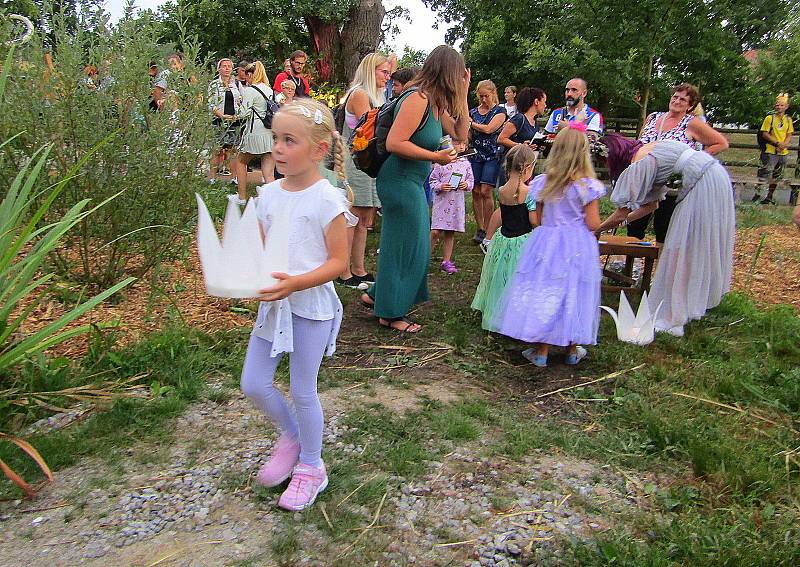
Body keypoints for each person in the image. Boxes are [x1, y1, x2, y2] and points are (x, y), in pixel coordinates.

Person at [240, 98, 353, 511]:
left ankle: (311, 466)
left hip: (311, 308)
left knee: (303, 389)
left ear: (319, 150)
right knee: (253, 382)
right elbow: (258, 248)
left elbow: (339, 264)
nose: (278, 149)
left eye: (290, 140)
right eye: (275, 139)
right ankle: (291, 435)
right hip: (275, 308)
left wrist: (296, 283)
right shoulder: (267, 195)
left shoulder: (327, 200)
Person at [359, 45, 471, 332]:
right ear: (447, 72)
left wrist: (465, 94)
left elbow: (460, 133)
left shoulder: (436, 103)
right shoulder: (417, 98)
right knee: (411, 247)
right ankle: (390, 313)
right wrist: (437, 158)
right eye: (458, 75)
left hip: (412, 181)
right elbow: (395, 143)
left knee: (408, 244)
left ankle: (376, 297)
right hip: (398, 180)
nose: (459, 79)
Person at [596, 139, 735, 337]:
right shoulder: (649, 150)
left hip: (700, 185)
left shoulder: (640, 163)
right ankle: (684, 305)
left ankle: (673, 318)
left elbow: (621, 212)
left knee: (680, 249)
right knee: (689, 249)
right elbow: (651, 206)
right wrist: (622, 223)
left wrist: (597, 230)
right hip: (716, 176)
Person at [493, 123, 604, 367]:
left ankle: (541, 350)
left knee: (544, 290)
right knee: (574, 290)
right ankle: (572, 349)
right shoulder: (587, 186)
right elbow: (593, 223)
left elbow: (539, 219)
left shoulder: (543, 183)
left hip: (547, 242)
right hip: (576, 245)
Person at [627, 83, 729, 242]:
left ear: (690, 106)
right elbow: (639, 144)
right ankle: (631, 263)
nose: (677, 101)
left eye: (683, 99)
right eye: (675, 97)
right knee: (634, 225)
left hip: (670, 183)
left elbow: (721, 143)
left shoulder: (692, 123)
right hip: (643, 179)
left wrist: (695, 160)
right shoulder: (653, 117)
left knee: (664, 227)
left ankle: (662, 263)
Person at [335, 53, 390, 290]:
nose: (388, 77)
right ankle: (343, 270)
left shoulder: (375, 96)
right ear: (371, 71)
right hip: (356, 162)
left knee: (364, 218)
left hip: (367, 163)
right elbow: (370, 128)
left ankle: (359, 269)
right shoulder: (359, 94)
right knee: (352, 215)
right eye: (384, 72)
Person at [472, 144, 538, 331]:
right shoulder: (529, 193)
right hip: (522, 241)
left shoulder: (502, 191)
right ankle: (516, 316)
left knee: (501, 277)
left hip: (504, 240)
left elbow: (502, 213)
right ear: (527, 168)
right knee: (518, 279)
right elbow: (533, 220)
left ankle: (497, 310)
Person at [468, 79, 507, 244]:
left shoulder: (500, 111)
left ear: (493, 94)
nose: (484, 99)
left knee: (486, 190)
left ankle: (490, 225)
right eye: (481, 96)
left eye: (486, 96)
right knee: (475, 190)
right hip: (475, 154)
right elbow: (468, 132)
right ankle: (480, 228)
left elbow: (489, 129)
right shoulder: (473, 111)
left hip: (492, 154)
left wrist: (471, 124)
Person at [233, 61, 276, 203]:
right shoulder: (269, 90)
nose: (246, 79)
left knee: (241, 161)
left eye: (247, 76)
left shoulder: (250, 90)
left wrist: (239, 103)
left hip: (254, 133)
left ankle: (242, 197)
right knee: (268, 172)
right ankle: (272, 201)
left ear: (251, 74)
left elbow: (242, 113)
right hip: (269, 133)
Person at [430, 138, 475, 274]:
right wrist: (441, 186)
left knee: (450, 231)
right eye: (457, 143)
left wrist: (466, 185)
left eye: (463, 144)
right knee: (435, 231)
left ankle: (446, 261)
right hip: (442, 202)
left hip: (456, 204)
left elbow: (471, 180)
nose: (461, 147)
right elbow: (432, 181)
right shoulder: (441, 163)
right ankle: (424, 258)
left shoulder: (465, 163)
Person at [496, 87, 547, 185]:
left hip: (526, 168)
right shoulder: (519, 119)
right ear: (536, 101)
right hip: (512, 167)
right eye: (544, 101)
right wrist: (520, 146)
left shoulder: (534, 123)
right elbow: (501, 139)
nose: (545, 105)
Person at [753, 93, 794, 205]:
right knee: (764, 173)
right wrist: (777, 143)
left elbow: (789, 134)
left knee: (777, 175)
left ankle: (769, 196)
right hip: (770, 150)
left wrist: (784, 144)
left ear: (786, 106)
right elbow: (765, 134)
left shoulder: (788, 120)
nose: (779, 107)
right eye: (777, 105)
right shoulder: (769, 118)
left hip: (782, 152)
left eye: (781, 105)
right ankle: (757, 194)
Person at [208, 58, 244, 182]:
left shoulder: (237, 84)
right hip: (219, 120)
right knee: (216, 149)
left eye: (229, 66)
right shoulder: (214, 84)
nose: (227, 68)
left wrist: (238, 114)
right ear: (219, 69)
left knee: (232, 150)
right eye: (224, 66)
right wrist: (221, 115)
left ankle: (234, 178)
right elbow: (210, 103)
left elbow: (243, 100)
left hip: (234, 121)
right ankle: (212, 177)